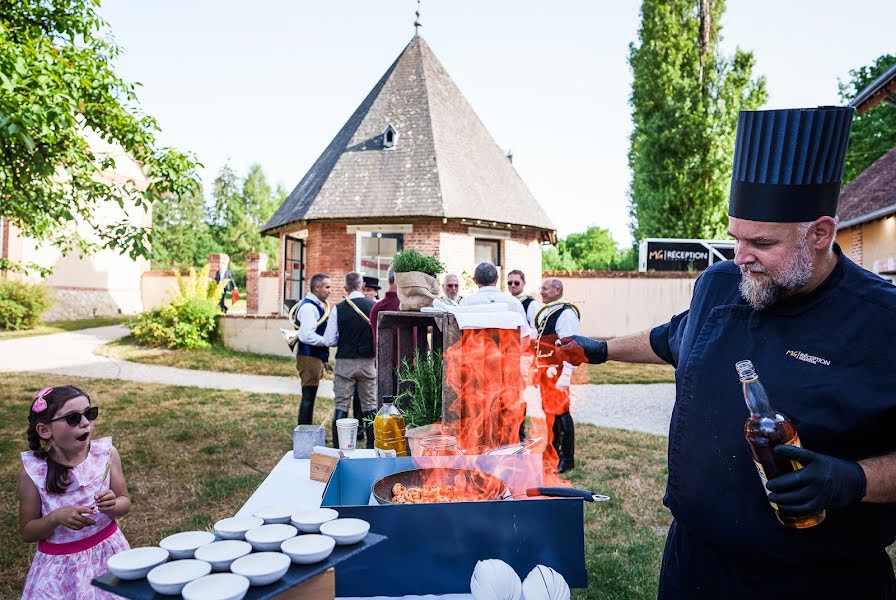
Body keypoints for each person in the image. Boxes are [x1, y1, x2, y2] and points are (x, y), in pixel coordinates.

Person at [557, 106, 896, 598]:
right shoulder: (721, 284)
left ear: (820, 234)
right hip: (694, 566)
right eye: (736, 236)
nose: (740, 256)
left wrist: (854, 480)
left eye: (761, 242)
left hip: (820, 579)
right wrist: (600, 349)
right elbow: (675, 337)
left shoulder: (881, 321)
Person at [19, 385, 131, 599]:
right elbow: (27, 531)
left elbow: (125, 501)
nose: (85, 422)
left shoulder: (106, 455)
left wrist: (114, 505)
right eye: (72, 418)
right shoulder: (33, 473)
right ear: (45, 430)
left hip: (110, 555)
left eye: (90, 413)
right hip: (61, 568)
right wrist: (55, 518)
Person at [323, 272, 377, 448]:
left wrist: (345, 338)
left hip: (345, 362)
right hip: (368, 362)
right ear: (362, 286)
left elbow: (329, 340)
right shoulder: (374, 306)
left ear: (345, 288)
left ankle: (340, 449)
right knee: (370, 405)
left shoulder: (338, 308)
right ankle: (370, 449)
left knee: (341, 405)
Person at [534, 277, 579, 473]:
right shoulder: (550, 312)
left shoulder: (566, 314)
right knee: (549, 412)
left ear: (557, 290)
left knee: (561, 413)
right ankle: (553, 450)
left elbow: (570, 348)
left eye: (545, 289)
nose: (541, 292)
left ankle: (567, 458)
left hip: (559, 373)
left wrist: (566, 375)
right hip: (547, 373)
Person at [294, 273, 332, 426]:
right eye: (327, 287)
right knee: (308, 396)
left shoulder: (314, 305)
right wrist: (327, 341)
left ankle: (306, 430)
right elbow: (306, 336)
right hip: (308, 356)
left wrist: (324, 359)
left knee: (310, 395)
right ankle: (304, 432)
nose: (330, 290)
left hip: (313, 357)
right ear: (317, 287)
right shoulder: (309, 307)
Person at [459, 263, 532, 338]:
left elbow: (458, 336)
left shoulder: (465, 303)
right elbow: (525, 336)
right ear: (497, 279)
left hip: (473, 348)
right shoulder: (513, 303)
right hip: (507, 349)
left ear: (475, 280)